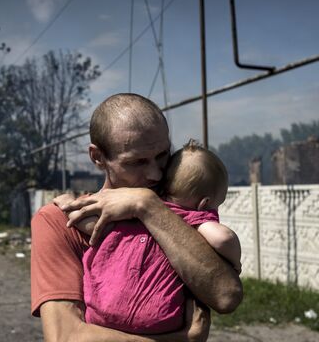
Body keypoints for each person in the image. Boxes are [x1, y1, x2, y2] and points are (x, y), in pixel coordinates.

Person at [30, 93, 243, 341]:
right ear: (98, 157)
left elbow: (226, 296)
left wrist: (146, 205)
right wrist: (182, 340)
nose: (155, 174)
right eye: (137, 162)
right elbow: (66, 337)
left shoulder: (170, 214)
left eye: (163, 155)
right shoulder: (58, 221)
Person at [75, 139, 242, 334]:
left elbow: (94, 224)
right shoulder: (197, 218)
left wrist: (68, 204)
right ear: (204, 203)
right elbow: (223, 238)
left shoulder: (134, 211)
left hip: (100, 312)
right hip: (156, 320)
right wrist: (235, 262)